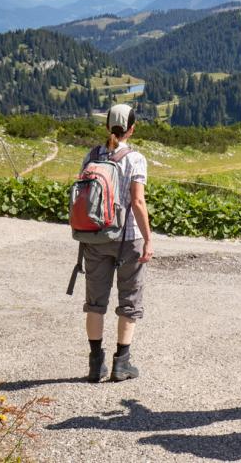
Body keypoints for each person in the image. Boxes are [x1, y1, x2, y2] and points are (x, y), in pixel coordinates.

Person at [82, 103, 153, 383]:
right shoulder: (135, 159)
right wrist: (148, 239)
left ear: (107, 126)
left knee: (95, 303)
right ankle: (121, 364)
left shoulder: (91, 156)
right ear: (132, 129)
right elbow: (137, 201)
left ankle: (95, 364)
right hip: (127, 237)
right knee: (129, 301)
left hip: (96, 236)